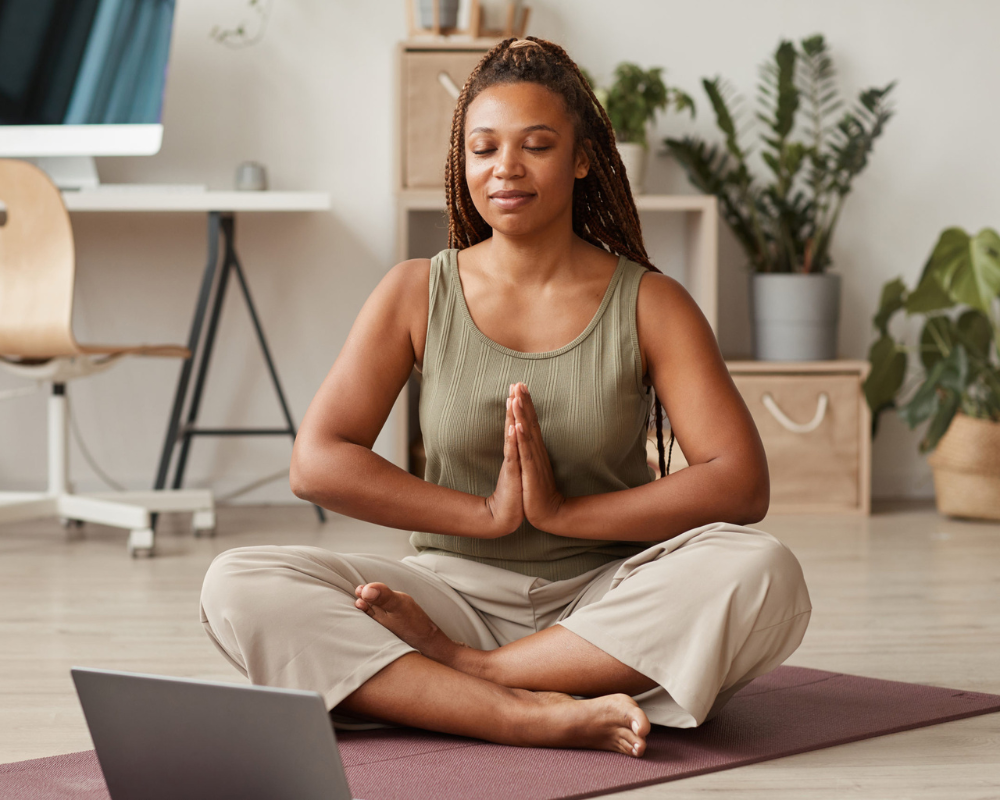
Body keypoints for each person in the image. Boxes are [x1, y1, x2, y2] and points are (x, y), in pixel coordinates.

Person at [199, 36, 811, 759]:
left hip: (606, 600)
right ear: (463, 164)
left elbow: (739, 481)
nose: (505, 169)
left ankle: (471, 681)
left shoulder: (651, 302)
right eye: (483, 148)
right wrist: (486, 516)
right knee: (238, 582)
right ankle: (522, 715)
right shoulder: (413, 292)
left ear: (582, 159)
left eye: (537, 145)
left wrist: (565, 515)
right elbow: (318, 462)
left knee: (760, 569)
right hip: (448, 598)